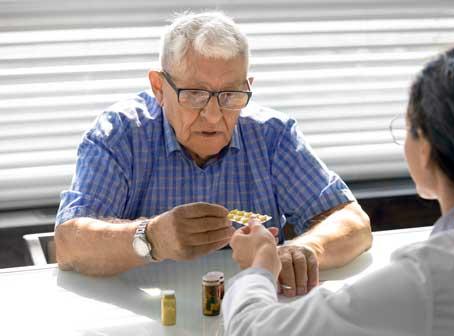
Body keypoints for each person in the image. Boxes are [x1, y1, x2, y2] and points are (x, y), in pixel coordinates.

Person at [224, 44, 454, 336]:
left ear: (425, 147)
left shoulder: (427, 279)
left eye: (408, 129)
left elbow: (253, 330)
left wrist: (259, 267)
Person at [54, 11, 372, 296]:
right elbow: (69, 245)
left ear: (248, 86)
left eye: (230, 95)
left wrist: (303, 250)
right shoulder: (120, 135)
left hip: (252, 314)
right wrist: (152, 238)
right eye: (194, 95)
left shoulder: (272, 135)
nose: (213, 115)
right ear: (158, 87)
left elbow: (352, 222)